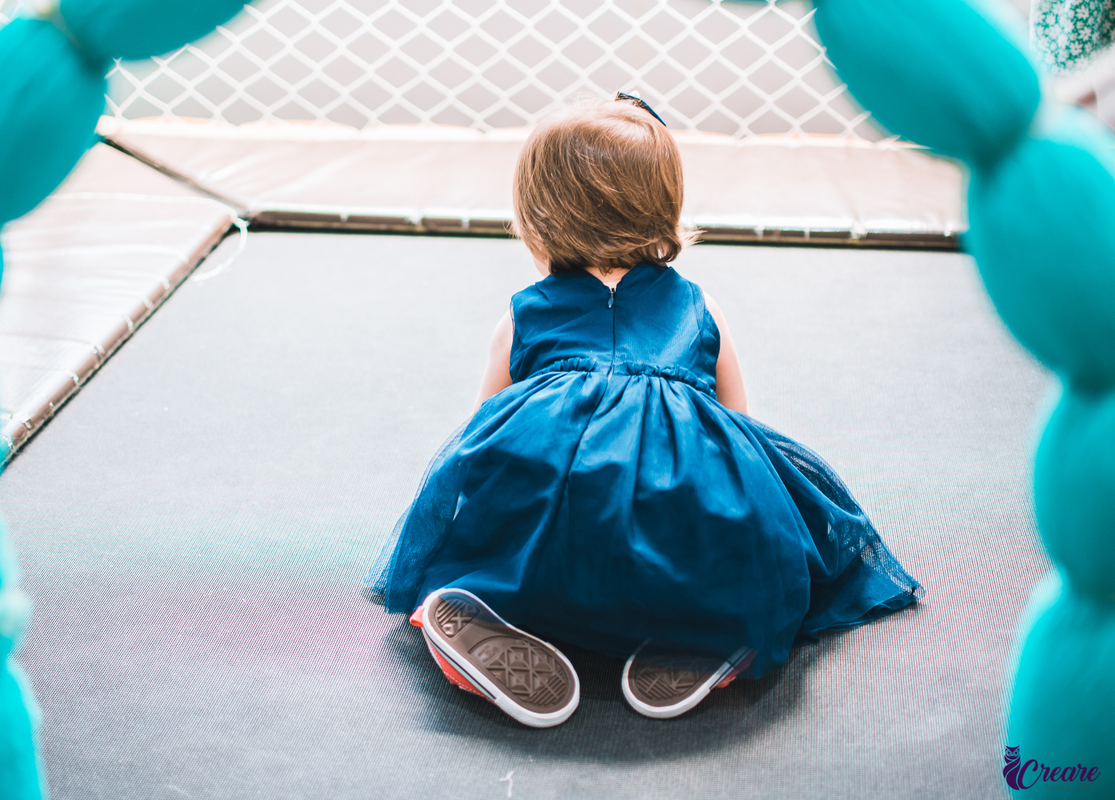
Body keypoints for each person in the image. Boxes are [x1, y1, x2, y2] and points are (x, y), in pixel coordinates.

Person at [367, 94, 923, 728]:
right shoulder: (698, 309)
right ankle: (710, 627)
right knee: (737, 539)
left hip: (551, 547)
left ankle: (484, 610)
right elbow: (739, 427)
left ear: (536, 217)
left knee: (501, 531)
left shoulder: (522, 315)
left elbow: (480, 436)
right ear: (666, 208)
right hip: (671, 536)